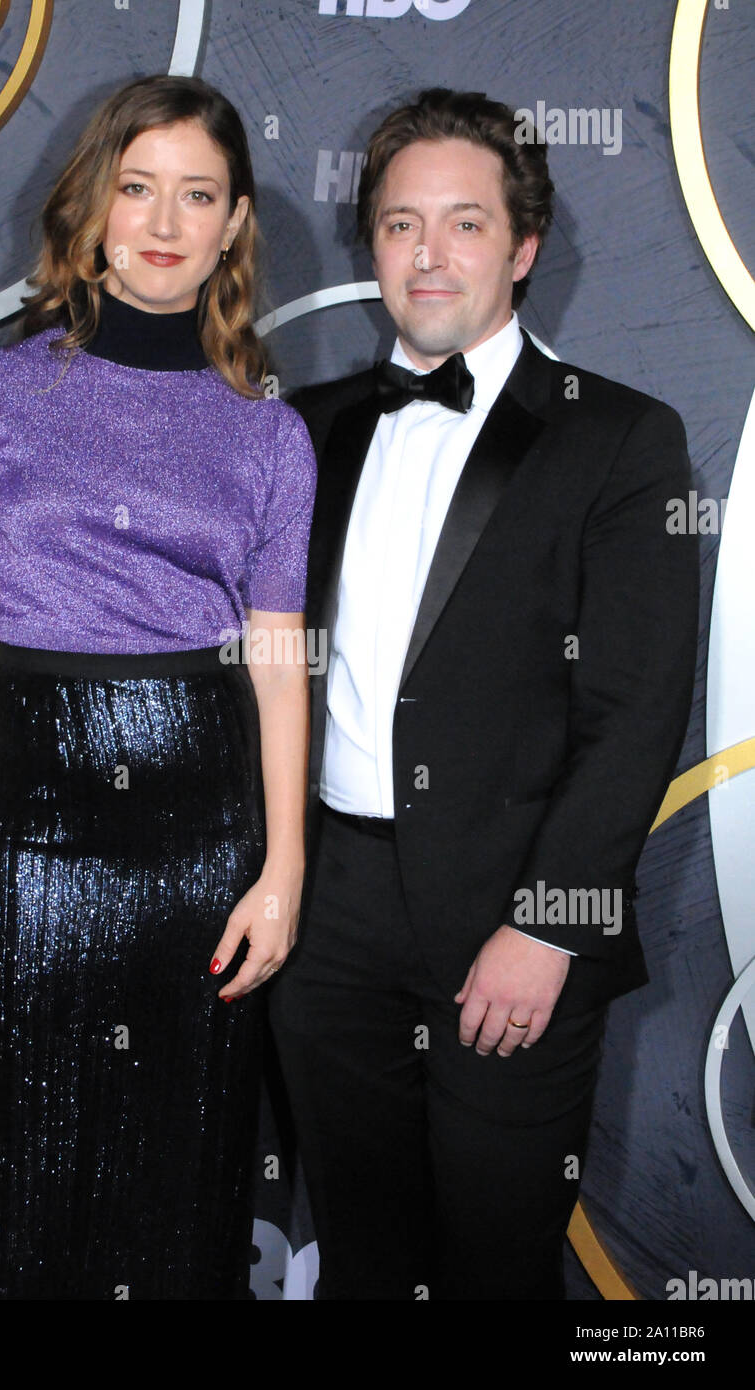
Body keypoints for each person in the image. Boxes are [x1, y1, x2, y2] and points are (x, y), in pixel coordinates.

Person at [0, 73, 315, 1301]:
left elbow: (276, 658)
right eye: (137, 187)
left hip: (200, 827)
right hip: (23, 808)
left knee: (163, 1160)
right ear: (92, 208)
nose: (163, 218)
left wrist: (284, 869)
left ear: (234, 224)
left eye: (197, 195)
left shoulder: (269, 434)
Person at [267, 87, 699, 1299]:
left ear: (520, 247)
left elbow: (635, 707)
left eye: (463, 223)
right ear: (374, 249)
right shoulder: (307, 432)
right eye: (401, 224)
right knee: (362, 1255)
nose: (428, 252)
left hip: (510, 916)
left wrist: (549, 920)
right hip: (326, 914)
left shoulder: (619, 438)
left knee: (497, 1265)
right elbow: (212, 632)